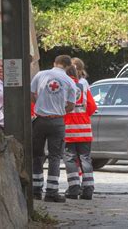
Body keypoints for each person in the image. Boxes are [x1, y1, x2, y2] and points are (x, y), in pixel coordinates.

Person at [31, 55, 77, 203]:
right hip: (57, 122)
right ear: (69, 66)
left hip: (39, 120)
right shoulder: (70, 81)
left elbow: (31, 94)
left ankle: (35, 191)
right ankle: (51, 192)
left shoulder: (40, 74)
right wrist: (58, 108)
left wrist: (41, 104)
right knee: (55, 157)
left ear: (54, 63)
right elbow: (71, 105)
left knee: (37, 155)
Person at [63, 65, 97, 200]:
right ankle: (88, 189)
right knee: (85, 158)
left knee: (70, 158)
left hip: (68, 128)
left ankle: (74, 187)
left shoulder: (63, 87)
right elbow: (92, 107)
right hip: (84, 129)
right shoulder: (83, 87)